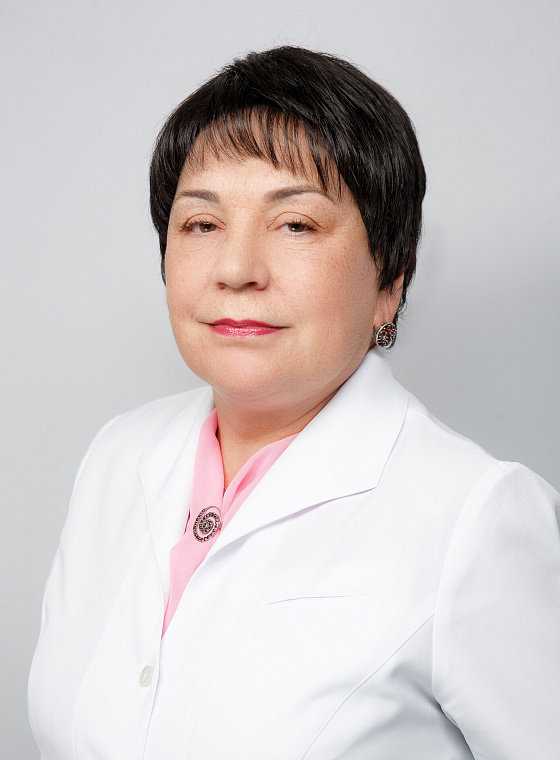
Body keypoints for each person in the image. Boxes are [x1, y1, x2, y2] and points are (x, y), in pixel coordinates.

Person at [28, 46, 560, 759]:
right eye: (202, 224)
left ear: (390, 280)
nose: (236, 269)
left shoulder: (477, 514)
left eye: (295, 224)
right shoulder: (117, 457)